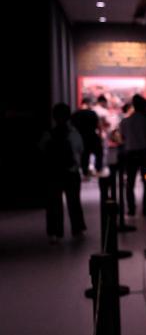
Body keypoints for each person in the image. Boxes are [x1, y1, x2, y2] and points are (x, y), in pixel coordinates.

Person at [40, 102, 86, 240]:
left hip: (53, 172)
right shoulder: (74, 133)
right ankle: (77, 229)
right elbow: (80, 150)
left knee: (54, 203)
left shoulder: (48, 134)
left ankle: (54, 232)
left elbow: (42, 150)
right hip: (71, 172)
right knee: (74, 202)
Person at [119, 94, 146, 216]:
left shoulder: (125, 121)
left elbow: (123, 137)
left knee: (130, 183)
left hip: (130, 153)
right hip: (145, 153)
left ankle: (131, 209)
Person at [70, 98, 101, 176]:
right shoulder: (92, 113)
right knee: (98, 153)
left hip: (81, 137)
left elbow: (71, 126)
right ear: (88, 104)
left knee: (84, 155)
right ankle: (97, 169)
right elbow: (98, 126)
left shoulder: (76, 114)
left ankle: (85, 171)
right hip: (92, 136)